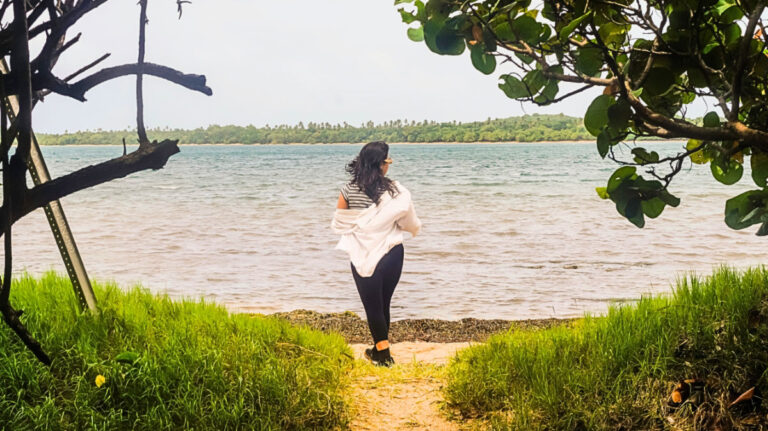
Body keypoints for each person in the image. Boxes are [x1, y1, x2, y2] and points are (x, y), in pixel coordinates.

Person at [331, 141, 421, 366]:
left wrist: (364, 225)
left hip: (362, 252)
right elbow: (408, 222)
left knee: (372, 306)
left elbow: (340, 223)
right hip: (392, 253)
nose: (389, 166)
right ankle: (380, 350)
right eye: (387, 161)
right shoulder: (396, 191)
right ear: (380, 165)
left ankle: (384, 355)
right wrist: (381, 222)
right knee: (382, 304)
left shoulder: (348, 190)